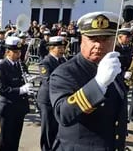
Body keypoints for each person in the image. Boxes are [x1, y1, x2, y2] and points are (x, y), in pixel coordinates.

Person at [49, 11, 128, 150]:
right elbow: (63, 114)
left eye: (105, 39)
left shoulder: (112, 65)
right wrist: (98, 84)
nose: (99, 44)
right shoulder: (65, 72)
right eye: (93, 39)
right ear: (82, 40)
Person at [0, 36, 33, 151]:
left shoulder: (21, 65)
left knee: (16, 137)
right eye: (15, 52)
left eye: (19, 51)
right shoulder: (1, 67)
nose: (18, 54)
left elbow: (25, 79)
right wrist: (21, 90)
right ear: (7, 52)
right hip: (7, 107)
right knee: (6, 139)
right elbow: (0, 88)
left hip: (19, 107)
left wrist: (30, 81)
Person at [37, 36, 67, 151]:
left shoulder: (63, 60)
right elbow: (48, 81)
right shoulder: (45, 63)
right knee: (48, 129)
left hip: (58, 99)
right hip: (47, 101)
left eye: (63, 47)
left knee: (57, 128)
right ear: (51, 48)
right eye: (59, 47)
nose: (62, 50)